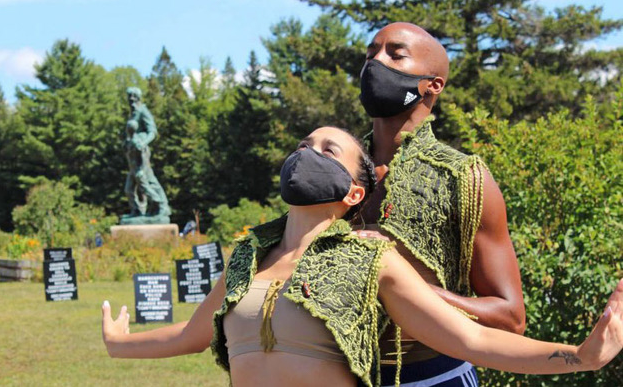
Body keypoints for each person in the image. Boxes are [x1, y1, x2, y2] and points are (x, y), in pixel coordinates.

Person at [102, 126, 623, 387]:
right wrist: (118, 344)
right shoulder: (248, 255)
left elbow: (472, 339)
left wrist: (580, 355)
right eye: (304, 144)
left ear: (354, 193)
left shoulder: (368, 258)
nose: (307, 153)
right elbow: (191, 335)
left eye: (328, 151)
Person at [355, 22, 525, 385]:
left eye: (395, 54)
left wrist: (412, 292)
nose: (375, 63)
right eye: (370, 54)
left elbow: (510, 317)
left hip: (436, 376)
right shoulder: (336, 171)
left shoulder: (464, 177)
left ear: (433, 85)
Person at [121, 87, 171, 223]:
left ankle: (162, 206)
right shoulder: (132, 114)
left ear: (138, 98)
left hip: (141, 153)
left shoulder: (143, 111)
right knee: (129, 188)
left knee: (148, 180)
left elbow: (153, 131)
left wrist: (144, 143)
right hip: (132, 153)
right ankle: (136, 210)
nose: (130, 99)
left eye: (133, 96)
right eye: (129, 96)